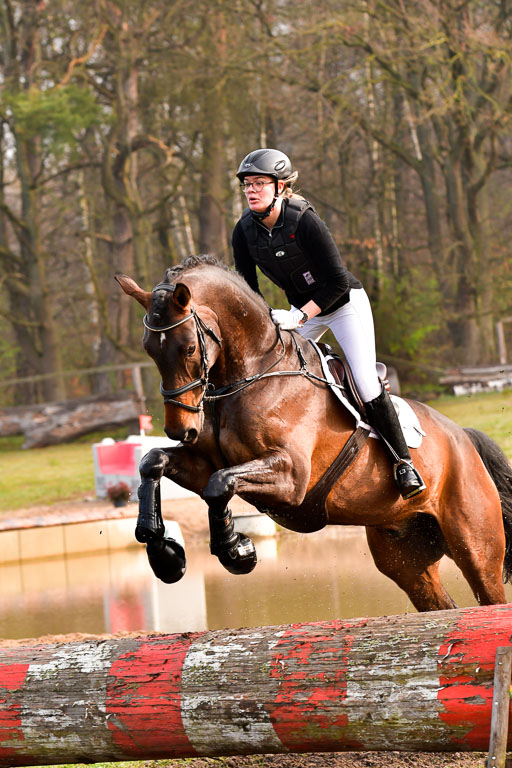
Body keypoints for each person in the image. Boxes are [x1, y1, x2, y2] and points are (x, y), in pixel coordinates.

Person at [232, 147, 426, 500]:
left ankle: (403, 462)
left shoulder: (304, 220)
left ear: (281, 187)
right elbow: (248, 289)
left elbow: (337, 282)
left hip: (343, 304)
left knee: (366, 381)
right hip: (299, 311)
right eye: (247, 184)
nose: (251, 190)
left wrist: (299, 316)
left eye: (259, 183)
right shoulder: (244, 231)